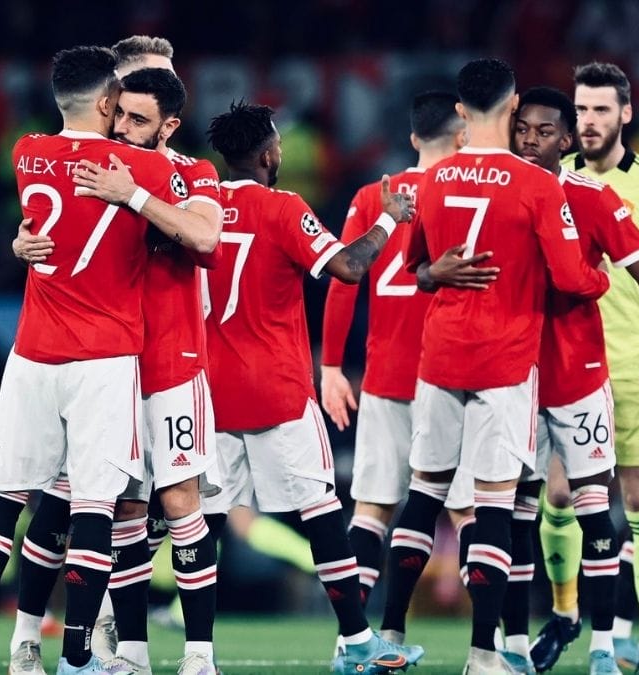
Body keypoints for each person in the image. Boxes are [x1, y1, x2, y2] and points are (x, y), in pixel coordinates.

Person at [0, 45, 186, 675]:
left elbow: (47, 219)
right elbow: (199, 235)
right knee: (95, 508)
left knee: (2, 500)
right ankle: (76, 655)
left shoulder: (25, 152)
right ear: (107, 103)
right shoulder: (139, 167)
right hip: (102, 358)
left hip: (32, 354)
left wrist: (20, 242)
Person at [427, 85, 639, 675]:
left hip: (577, 377)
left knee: (594, 511)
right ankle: (510, 646)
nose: (530, 139)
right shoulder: (498, 187)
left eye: (544, 132)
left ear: (567, 141)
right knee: (515, 514)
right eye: (523, 129)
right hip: (512, 377)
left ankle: (604, 649)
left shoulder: (592, 197)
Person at [13, 64, 225, 675]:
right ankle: (130, 652)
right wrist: (20, 245)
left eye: (138, 119)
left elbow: (205, 237)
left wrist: (132, 195)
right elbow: (48, 230)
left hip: (170, 361)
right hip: (101, 364)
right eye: (120, 113)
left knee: (180, 500)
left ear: (169, 126)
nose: (123, 127)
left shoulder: (193, 172)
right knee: (120, 507)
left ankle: (200, 656)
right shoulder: (91, 163)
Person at [400, 58, 610, 674]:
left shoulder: (434, 178)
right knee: (496, 505)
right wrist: (599, 278)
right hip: (507, 359)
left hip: (440, 355)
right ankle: (483, 655)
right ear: (514, 105)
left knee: (424, 496)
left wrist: (434, 274)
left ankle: (384, 634)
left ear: (460, 110)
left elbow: (418, 270)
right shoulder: (538, 184)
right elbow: (571, 277)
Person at [202, 100, 424, 675]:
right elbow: (348, 267)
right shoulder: (282, 207)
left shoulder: (196, 206)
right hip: (275, 389)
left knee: (205, 521)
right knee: (321, 511)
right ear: (267, 154)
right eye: (277, 143)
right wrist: (388, 220)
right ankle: (357, 641)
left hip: (209, 392)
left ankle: (193, 654)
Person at [536, 62, 639, 675]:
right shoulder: (549, 179)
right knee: (559, 495)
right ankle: (564, 615)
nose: (588, 121)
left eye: (601, 110)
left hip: (634, 366)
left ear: (625, 114)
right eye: (581, 109)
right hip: (564, 364)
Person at [319, 91, 466, 610]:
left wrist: (331, 366)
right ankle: (492, 640)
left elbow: (343, 282)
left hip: (385, 375)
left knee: (372, 509)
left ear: (413, 139)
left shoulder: (370, 196)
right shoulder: (467, 193)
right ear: (463, 136)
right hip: (453, 376)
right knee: (468, 511)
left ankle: (353, 636)